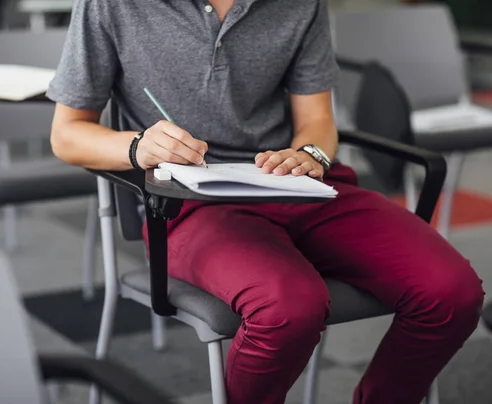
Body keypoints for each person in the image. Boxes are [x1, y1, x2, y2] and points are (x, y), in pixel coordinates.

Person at [46, 0, 484, 403]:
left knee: (453, 292)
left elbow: (316, 120)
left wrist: (309, 154)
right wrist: (138, 146)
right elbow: (66, 134)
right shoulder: (112, 5)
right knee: (289, 308)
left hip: (295, 186)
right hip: (190, 203)